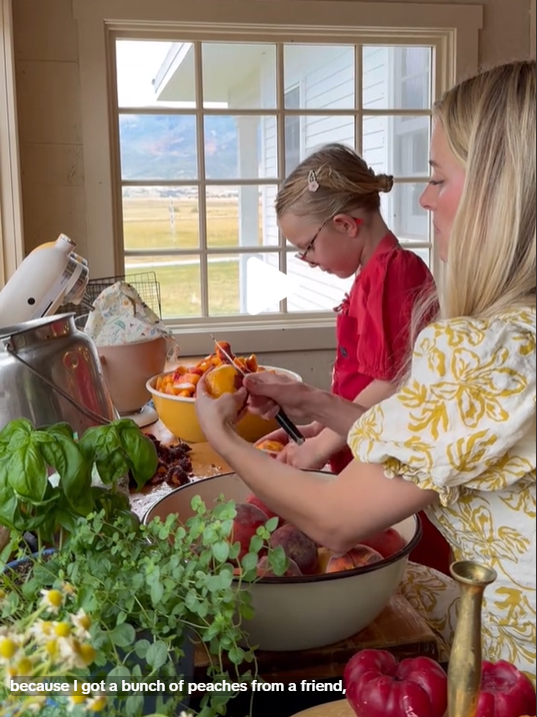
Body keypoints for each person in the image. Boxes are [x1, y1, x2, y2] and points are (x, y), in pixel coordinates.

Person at [195, 60, 537, 679]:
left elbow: (336, 520)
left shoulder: (485, 345)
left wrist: (217, 434)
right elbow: (434, 429)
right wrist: (316, 404)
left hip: (509, 664)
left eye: (438, 178)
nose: (425, 199)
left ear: (500, 188)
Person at [267, 143, 450, 573]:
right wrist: (320, 425)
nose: (306, 261)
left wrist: (318, 447)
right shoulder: (373, 274)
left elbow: (390, 386)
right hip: (364, 456)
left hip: (389, 475)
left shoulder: (393, 272)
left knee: (401, 578)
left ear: (346, 224)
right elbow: (363, 380)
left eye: (307, 246)